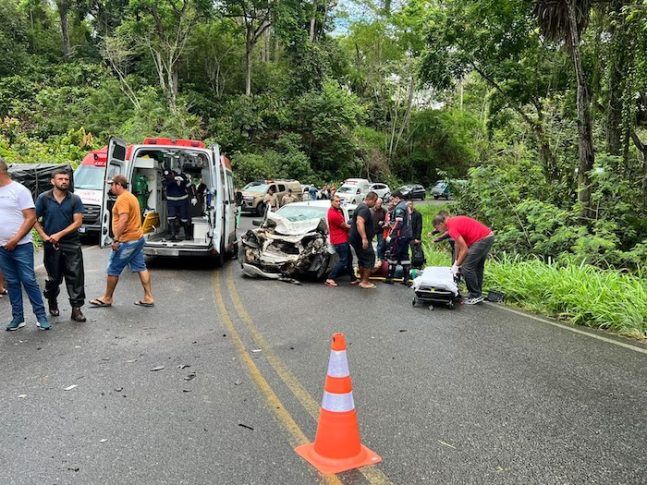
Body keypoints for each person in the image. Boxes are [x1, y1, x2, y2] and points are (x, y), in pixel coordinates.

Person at [90, 174, 154, 308]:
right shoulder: (131, 197)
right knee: (141, 267)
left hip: (127, 241)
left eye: (112, 185)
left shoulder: (122, 199)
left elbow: (123, 220)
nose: (111, 187)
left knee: (113, 269)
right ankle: (148, 297)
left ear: (118, 185)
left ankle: (107, 298)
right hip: (137, 238)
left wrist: (117, 239)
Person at [0, 158, 50, 331]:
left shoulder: (19, 191)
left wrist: (15, 240)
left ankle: (41, 316)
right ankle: (18, 318)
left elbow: (31, 218)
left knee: (28, 280)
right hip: (2, 247)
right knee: (12, 282)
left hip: (20, 245)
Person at [34, 169, 86, 322]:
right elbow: (33, 218)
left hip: (71, 243)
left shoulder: (75, 199)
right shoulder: (43, 198)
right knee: (53, 278)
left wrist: (59, 234)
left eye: (66, 179)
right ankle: (52, 300)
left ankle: (76, 309)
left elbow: (78, 222)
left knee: (75, 276)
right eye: (60, 179)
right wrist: (44, 236)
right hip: (51, 244)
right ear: (53, 181)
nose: (64, 181)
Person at [432, 213, 494, 305]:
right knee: (477, 267)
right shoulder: (453, 222)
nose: (439, 231)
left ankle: (475, 295)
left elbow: (464, 250)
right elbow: (457, 244)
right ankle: (477, 293)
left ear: (441, 224)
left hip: (481, 239)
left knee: (466, 268)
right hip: (488, 236)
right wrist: (456, 261)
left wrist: (457, 266)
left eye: (438, 228)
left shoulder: (452, 228)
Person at [325, 195, 358, 288]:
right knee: (344, 260)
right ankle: (330, 278)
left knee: (349, 259)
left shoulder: (337, 211)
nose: (338, 203)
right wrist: (357, 227)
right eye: (336, 201)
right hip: (339, 240)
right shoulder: (333, 214)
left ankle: (353, 278)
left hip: (343, 239)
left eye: (339, 201)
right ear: (331, 202)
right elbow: (345, 226)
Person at [349, 191, 379, 289]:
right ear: (370, 199)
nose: (375, 204)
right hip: (360, 239)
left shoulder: (361, 206)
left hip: (356, 238)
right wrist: (364, 238)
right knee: (370, 258)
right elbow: (359, 222)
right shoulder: (364, 209)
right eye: (375, 201)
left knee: (362, 259)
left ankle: (362, 279)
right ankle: (365, 281)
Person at [385, 191, 413, 285]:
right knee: (405, 257)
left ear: (397, 198)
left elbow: (398, 222)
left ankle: (389, 277)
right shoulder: (405, 206)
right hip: (407, 235)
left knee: (393, 255)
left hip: (399, 235)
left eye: (392, 198)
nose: (391, 201)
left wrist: (391, 233)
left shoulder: (399, 207)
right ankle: (406, 279)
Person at [163, 168, 196, 240]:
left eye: (169, 175)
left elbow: (190, 186)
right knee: (171, 217)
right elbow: (164, 183)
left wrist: (194, 196)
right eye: (166, 176)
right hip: (171, 200)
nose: (167, 177)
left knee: (184, 218)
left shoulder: (182, 176)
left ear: (172, 173)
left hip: (182, 200)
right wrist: (174, 180)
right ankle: (173, 234)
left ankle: (187, 234)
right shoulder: (167, 179)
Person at [407, 200, 423, 268]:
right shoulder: (404, 214)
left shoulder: (417, 214)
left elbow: (419, 226)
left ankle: (416, 264)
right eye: (408, 205)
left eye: (410, 204)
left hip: (414, 235)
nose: (409, 206)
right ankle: (407, 264)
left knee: (415, 250)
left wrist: (418, 238)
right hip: (406, 235)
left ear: (413, 205)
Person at [371, 198, 387, 265]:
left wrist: (383, 222)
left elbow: (387, 220)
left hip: (380, 230)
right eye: (378, 203)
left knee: (381, 244)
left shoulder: (383, 210)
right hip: (372, 229)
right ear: (375, 203)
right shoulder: (370, 210)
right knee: (368, 244)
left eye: (380, 203)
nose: (379, 205)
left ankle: (379, 258)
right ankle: (371, 257)